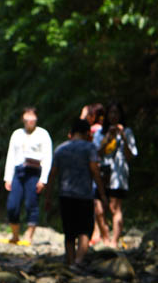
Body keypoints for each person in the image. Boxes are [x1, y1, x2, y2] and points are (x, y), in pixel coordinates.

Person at [43, 118, 111, 268]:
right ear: (88, 133)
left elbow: (52, 174)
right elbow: (95, 171)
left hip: (65, 195)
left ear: (71, 133)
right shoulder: (89, 148)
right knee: (85, 230)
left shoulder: (60, 149)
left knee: (69, 230)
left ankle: (70, 261)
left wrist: (47, 197)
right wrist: (103, 195)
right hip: (84, 195)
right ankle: (78, 262)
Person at [2, 107, 52, 245]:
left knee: (32, 203)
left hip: (34, 171)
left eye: (32, 117)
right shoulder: (17, 134)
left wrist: (43, 179)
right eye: (27, 117)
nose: (30, 120)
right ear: (23, 119)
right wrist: (8, 177)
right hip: (18, 172)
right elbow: (11, 155)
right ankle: (15, 235)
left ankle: (29, 236)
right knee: (13, 204)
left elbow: (47, 157)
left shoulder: (43, 134)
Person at [91, 102, 137, 248]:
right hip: (102, 174)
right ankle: (105, 237)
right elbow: (96, 154)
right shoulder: (100, 133)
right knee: (98, 207)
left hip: (119, 175)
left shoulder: (127, 132)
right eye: (111, 113)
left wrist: (122, 136)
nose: (113, 116)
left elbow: (131, 156)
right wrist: (107, 139)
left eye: (116, 113)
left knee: (115, 208)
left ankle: (114, 241)